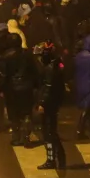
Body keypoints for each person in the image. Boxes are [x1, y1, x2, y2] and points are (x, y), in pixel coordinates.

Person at [34, 41, 66, 169]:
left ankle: (52, 160)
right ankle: (57, 158)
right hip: (53, 103)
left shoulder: (50, 69)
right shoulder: (56, 66)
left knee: (49, 132)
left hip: (49, 105)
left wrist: (42, 103)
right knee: (50, 132)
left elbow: (48, 88)